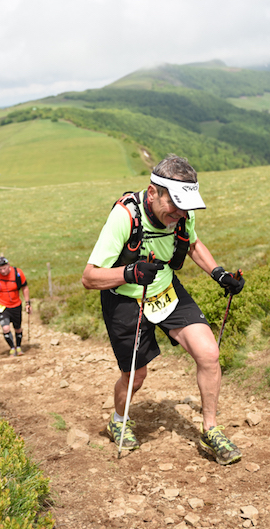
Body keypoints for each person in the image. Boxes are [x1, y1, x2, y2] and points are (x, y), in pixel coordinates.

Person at [81, 154, 245, 465]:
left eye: (186, 205)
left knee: (209, 354)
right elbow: (89, 277)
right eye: (174, 204)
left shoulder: (183, 214)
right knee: (136, 376)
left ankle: (210, 429)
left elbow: (193, 244)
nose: (180, 213)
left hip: (165, 289)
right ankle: (118, 421)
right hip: (125, 297)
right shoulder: (124, 217)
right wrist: (129, 274)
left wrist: (218, 274)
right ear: (153, 192)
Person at [0, 256, 31, 356]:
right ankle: (12, 348)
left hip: (16, 305)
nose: (3, 271)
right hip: (0, 306)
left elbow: (25, 288)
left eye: (4, 268)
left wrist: (27, 303)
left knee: (17, 328)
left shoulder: (18, 273)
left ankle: (18, 347)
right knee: (5, 328)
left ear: (8, 265)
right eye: (0, 269)